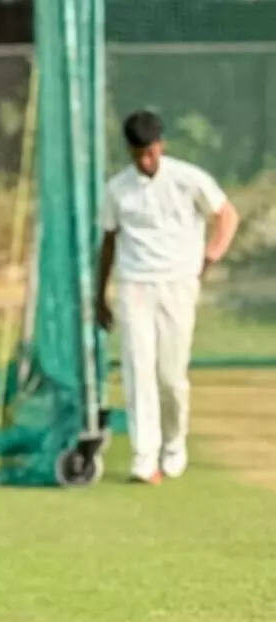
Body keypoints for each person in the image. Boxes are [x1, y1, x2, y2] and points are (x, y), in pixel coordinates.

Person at [96, 110, 239, 485]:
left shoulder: (188, 179)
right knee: (137, 370)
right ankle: (145, 458)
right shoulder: (117, 188)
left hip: (177, 284)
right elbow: (108, 241)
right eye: (138, 154)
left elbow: (226, 215)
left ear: (161, 145)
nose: (145, 161)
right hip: (134, 286)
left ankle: (174, 445)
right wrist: (100, 295)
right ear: (129, 150)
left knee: (171, 377)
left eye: (151, 152)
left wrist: (209, 257)